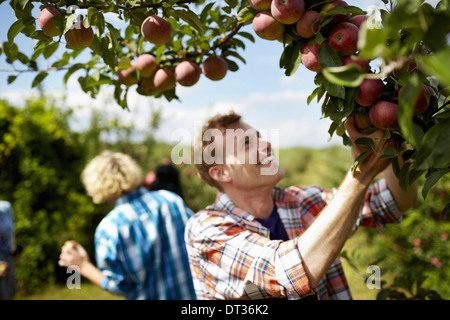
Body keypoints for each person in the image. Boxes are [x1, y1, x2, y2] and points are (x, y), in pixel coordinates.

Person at [184, 110, 417, 300]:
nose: (265, 144)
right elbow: (287, 275)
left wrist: (390, 134)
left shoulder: (300, 201)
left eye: (259, 137)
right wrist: (362, 174)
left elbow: (394, 201)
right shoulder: (206, 229)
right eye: (247, 143)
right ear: (221, 173)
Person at [58, 151, 196, 300]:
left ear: (96, 185)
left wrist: (82, 266)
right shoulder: (171, 200)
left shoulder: (110, 228)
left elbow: (120, 286)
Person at [0, 201, 17, 300]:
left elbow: (12, 229)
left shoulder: (5, 206)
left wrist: (13, 247)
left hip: (6, 257)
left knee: (9, 291)